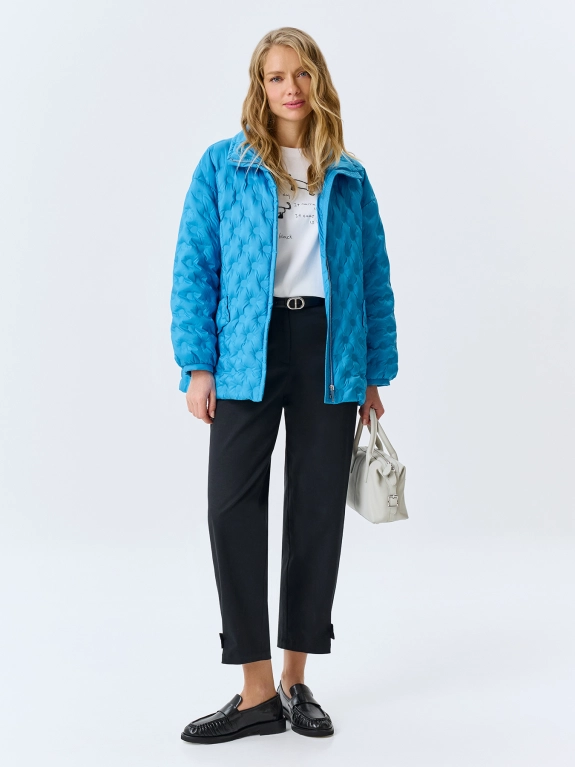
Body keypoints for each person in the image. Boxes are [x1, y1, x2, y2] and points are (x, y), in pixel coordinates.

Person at [170, 26, 398, 744]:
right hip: (247, 348)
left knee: (315, 509)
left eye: (300, 74)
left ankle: (296, 679)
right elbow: (194, 265)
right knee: (230, 507)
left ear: (317, 81)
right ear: (259, 86)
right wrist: (197, 364)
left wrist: (373, 373)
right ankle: (256, 690)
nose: (289, 88)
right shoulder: (223, 164)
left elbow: (373, 276)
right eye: (275, 77)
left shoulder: (347, 174)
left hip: (329, 348)